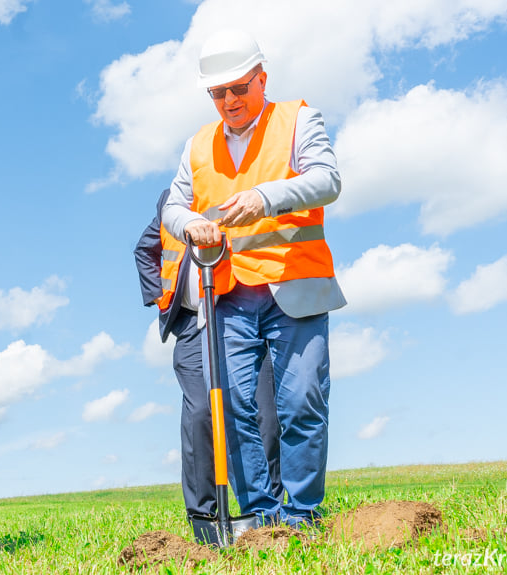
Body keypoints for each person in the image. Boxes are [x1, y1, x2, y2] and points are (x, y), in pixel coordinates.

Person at [161, 29, 346, 528]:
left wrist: (266, 197)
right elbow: (174, 205)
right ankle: (261, 519)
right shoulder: (198, 144)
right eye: (217, 93)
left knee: (302, 400)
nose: (229, 101)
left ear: (261, 79)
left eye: (238, 88)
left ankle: (302, 513)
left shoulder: (297, 119)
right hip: (227, 298)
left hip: (295, 288)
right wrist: (189, 223)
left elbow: (328, 180)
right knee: (235, 408)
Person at [134, 189, 284, 522]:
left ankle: (267, 510)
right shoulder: (170, 201)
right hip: (191, 321)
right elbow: (145, 249)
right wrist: (160, 298)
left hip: (241, 315)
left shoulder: (242, 189)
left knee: (263, 414)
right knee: (200, 412)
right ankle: (204, 515)